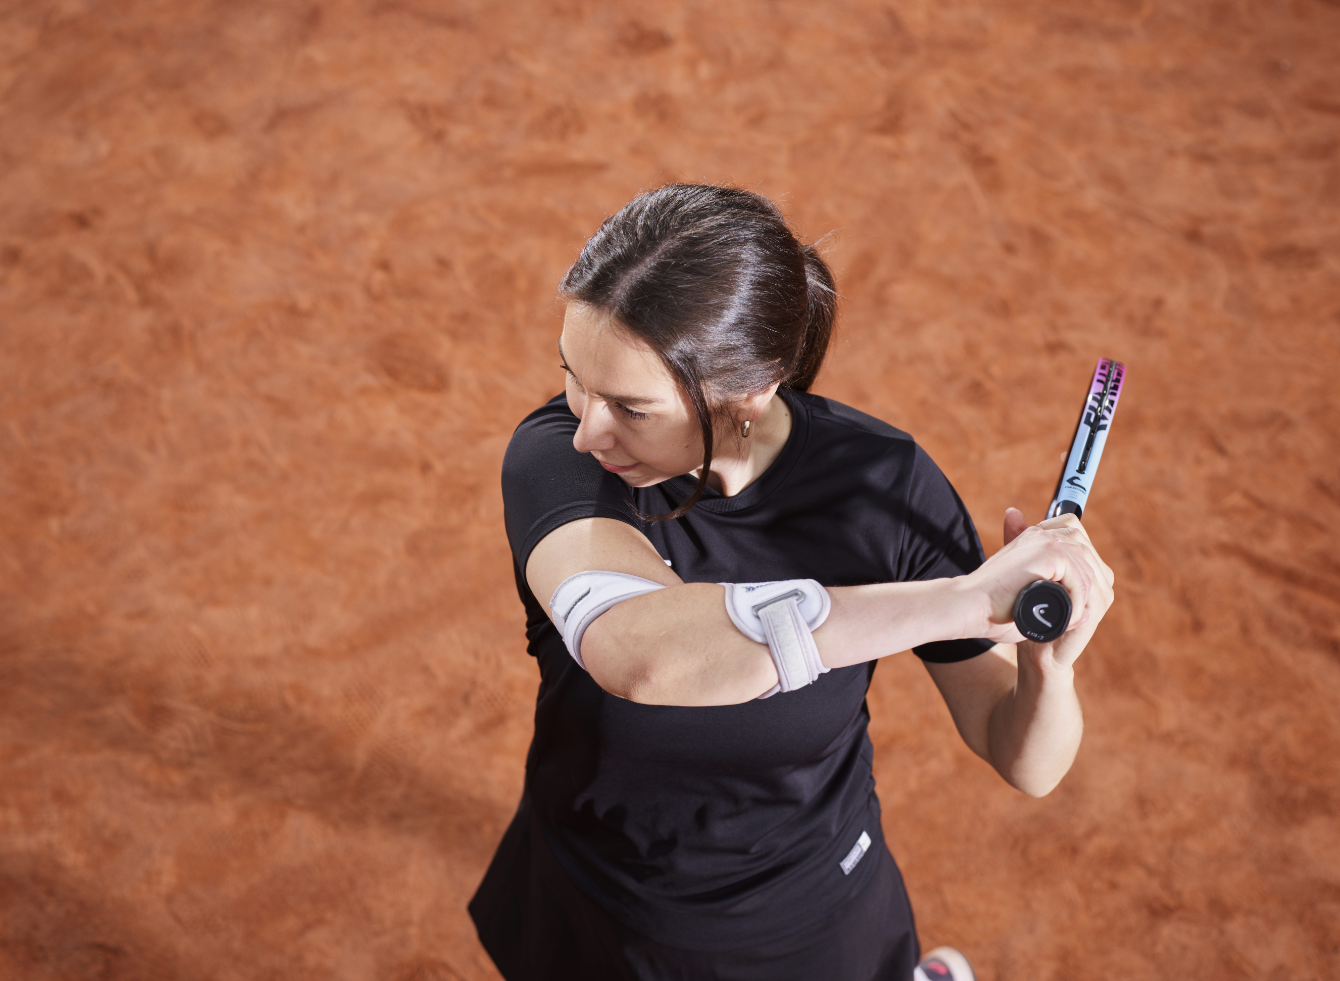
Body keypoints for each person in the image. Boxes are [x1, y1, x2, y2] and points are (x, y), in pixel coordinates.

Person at [468, 184, 1115, 981]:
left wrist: (1048, 667)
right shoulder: (558, 455)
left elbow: (1025, 760)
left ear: (751, 391)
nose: (588, 425)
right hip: (602, 895)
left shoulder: (885, 487)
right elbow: (639, 651)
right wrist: (963, 601)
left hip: (809, 912)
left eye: (629, 408)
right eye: (574, 377)